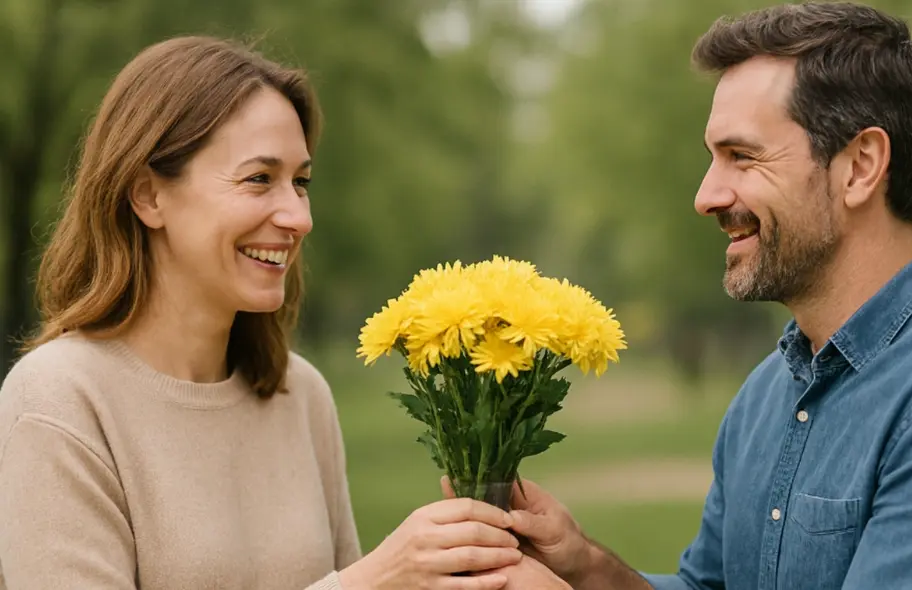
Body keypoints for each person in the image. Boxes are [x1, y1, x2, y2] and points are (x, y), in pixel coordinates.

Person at [475, 2, 912, 589]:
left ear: (859, 166)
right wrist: (584, 569)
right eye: (713, 159)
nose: (705, 196)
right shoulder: (766, 393)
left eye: (742, 156)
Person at [0, 36, 523, 589]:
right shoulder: (58, 402)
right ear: (149, 195)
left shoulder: (301, 396)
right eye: (259, 179)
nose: (298, 216)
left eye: (301, 182)